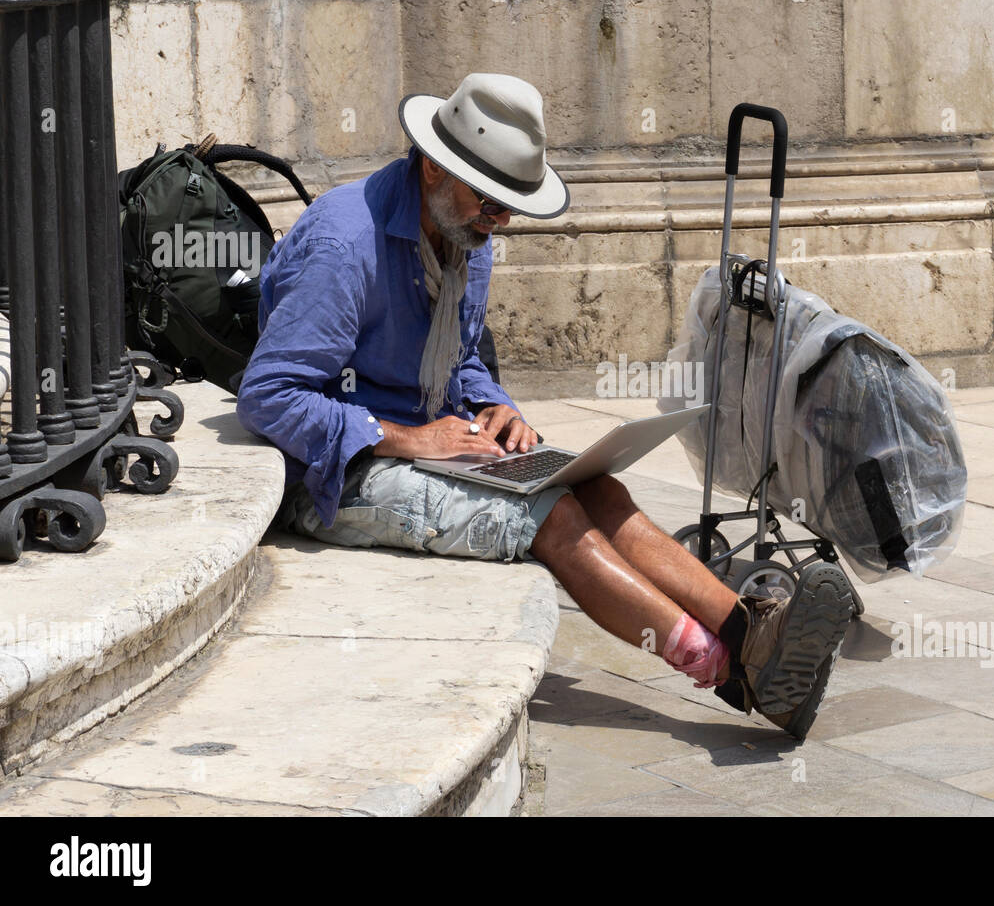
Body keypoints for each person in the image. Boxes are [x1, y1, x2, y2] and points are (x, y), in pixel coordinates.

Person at [236, 73, 853, 738]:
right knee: (553, 515)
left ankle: (750, 628)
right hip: (334, 474)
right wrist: (407, 439)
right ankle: (732, 672)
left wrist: (496, 406)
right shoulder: (344, 242)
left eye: (510, 207)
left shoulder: (465, 231)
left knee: (599, 487)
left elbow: (462, 359)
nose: (498, 220)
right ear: (436, 168)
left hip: (432, 441)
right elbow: (270, 395)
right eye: (490, 201)